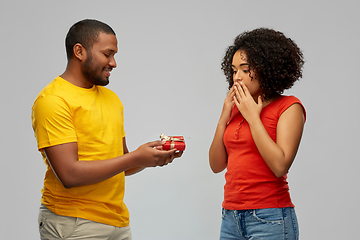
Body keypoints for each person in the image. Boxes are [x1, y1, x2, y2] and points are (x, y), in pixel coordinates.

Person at [31, 19, 183, 240]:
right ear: (79, 51)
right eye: (107, 54)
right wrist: (136, 158)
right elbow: (69, 174)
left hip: (118, 223)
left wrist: (150, 157)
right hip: (73, 222)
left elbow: (121, 162)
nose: (113, 63)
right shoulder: (53, 100)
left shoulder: (112, 99)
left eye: (114, 55)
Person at [209, 28, 305, 240]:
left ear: (267, 68)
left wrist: (253, 117)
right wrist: (224, 116)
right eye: (234, 70)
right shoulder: (235, 110)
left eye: (245, 69)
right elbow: (216, 165)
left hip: (270, 217)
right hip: (231, 217)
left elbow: (280, 166)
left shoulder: (289, 107)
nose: (237, 78)